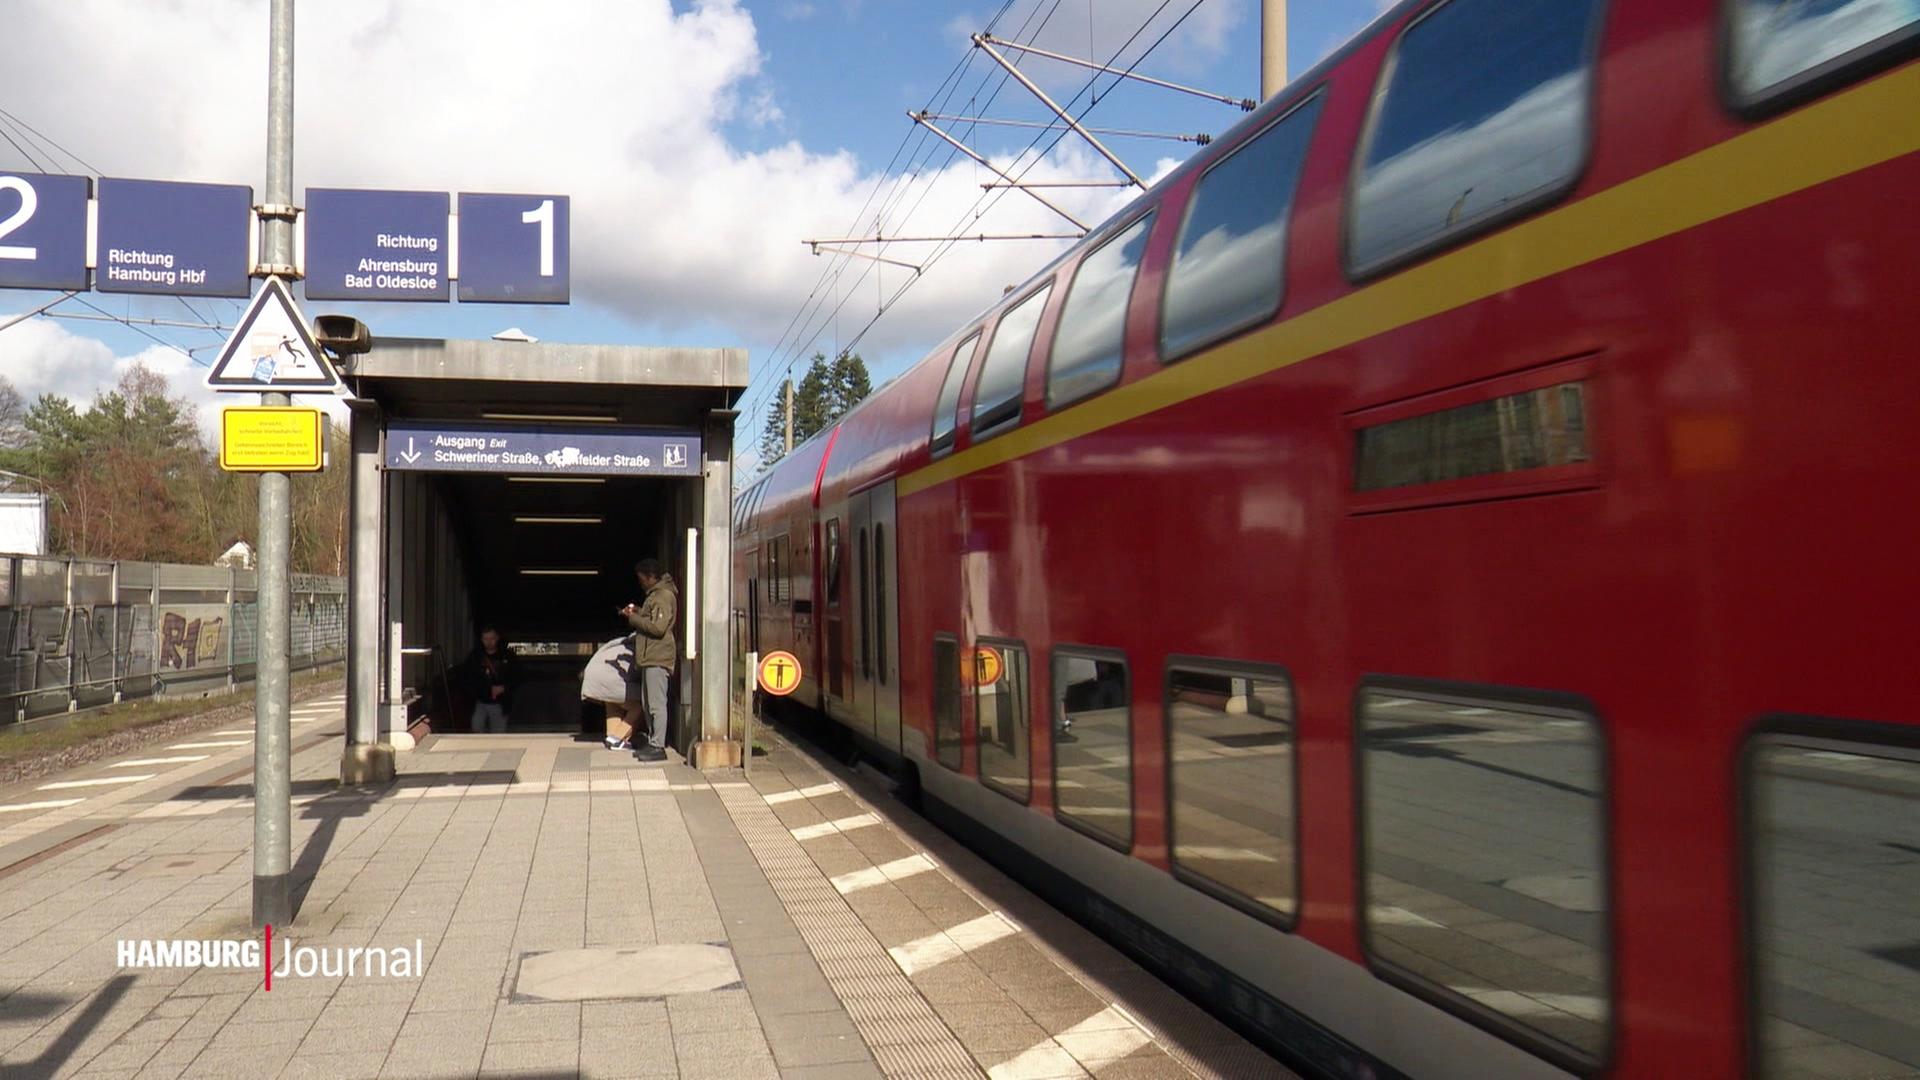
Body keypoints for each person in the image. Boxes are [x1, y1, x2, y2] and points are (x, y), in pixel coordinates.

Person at [622, 558, 677, 763]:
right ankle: (654, 741)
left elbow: (658, 628)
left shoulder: (662, 596)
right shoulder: (655, 596)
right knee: (648, 703)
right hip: (650, 657)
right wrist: (638, 610)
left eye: (642, 579)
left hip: (658, 657)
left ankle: (657, 745)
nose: (641, 583)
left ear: (651, 577)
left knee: (656, 704)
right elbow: (653, 619)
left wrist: (634, 619)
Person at [581, 635, 640, 750]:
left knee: (613, 702)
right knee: (639, 706)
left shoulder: (618, 644)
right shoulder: (637, 649)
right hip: (610, 679)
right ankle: (618, 737)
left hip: (592, 677)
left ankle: (612, 737)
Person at [463, 625, 517, 733]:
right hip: (480, 702)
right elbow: (468, 679)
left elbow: (516, 677)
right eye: (486, 639)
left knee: (498, 734)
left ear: (497, 638)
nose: (489, 642)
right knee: (476, 727)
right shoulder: (475, 657)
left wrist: (504, 688)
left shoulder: (507, 656)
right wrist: (485, 690)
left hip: (500, 703)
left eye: (492, 638)